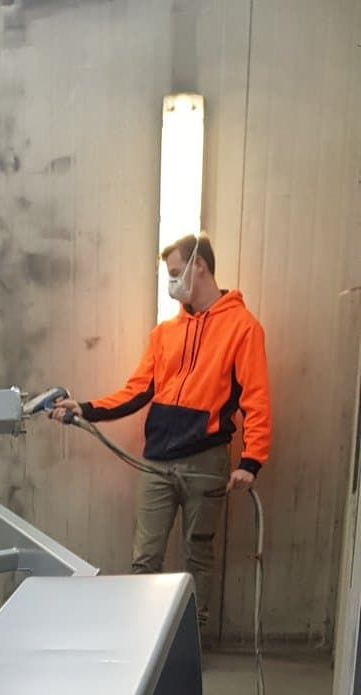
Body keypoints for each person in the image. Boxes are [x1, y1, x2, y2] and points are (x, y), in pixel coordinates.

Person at [53, 233, 272, 635]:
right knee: (145, 557)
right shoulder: (166, 334)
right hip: (156, 460)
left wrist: (251, 461)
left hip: (206, 460)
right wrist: (85, 408)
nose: (172, 282)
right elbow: (137, 390)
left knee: (198, 555)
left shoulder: (243, 328)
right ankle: (141, 641)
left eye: (175, 273)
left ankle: (190, 644)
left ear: (199, 267)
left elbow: (256, 400)